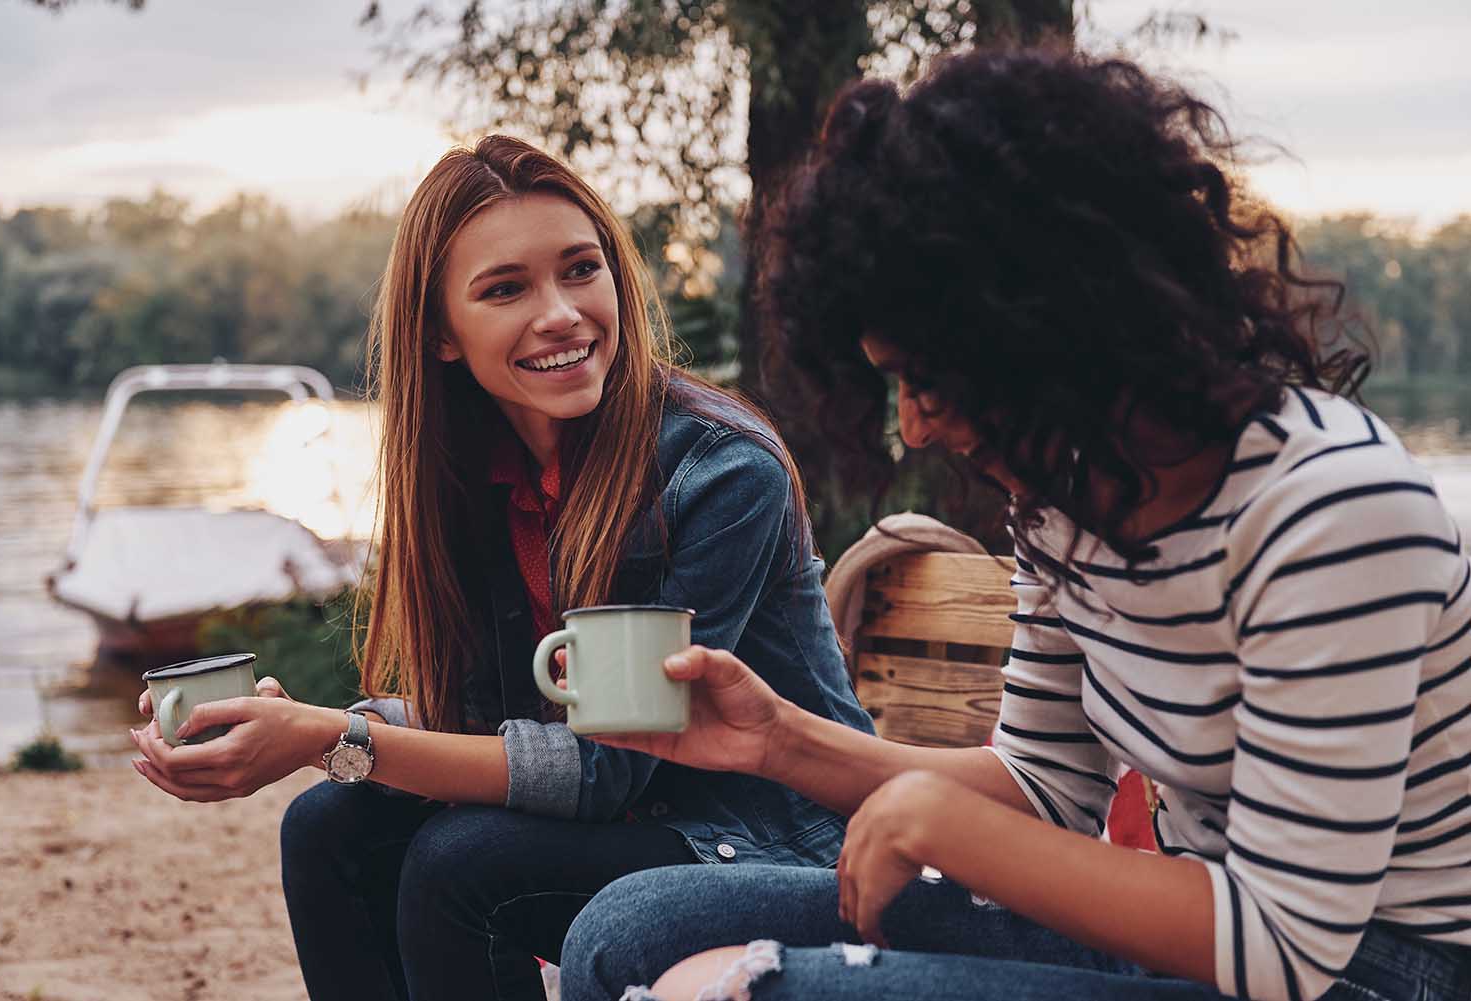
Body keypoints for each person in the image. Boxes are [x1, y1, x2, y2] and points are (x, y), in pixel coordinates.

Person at [558, 46, 1471, 1001]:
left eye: (930, 377)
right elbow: (1046, 786)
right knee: (629, 932)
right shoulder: (1070, 503)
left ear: (1059, 327)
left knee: (751, 990)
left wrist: (943, 828)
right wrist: (779, 741)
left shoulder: (1332, 513)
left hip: (1379, 969)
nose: (912, 425)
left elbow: (1285, 947)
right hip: (1184, 930)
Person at [127, 136, 873, 1001]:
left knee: (463, 866)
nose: (559, 312)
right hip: (642, 829)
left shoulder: (721, 472)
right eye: (505, 288)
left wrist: (335, 738)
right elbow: (487, 721)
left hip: (780, 851)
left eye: (580, 269)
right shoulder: (474, 474)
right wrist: (304, 726)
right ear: (442, 332)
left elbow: (601, 769)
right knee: (328, 824)